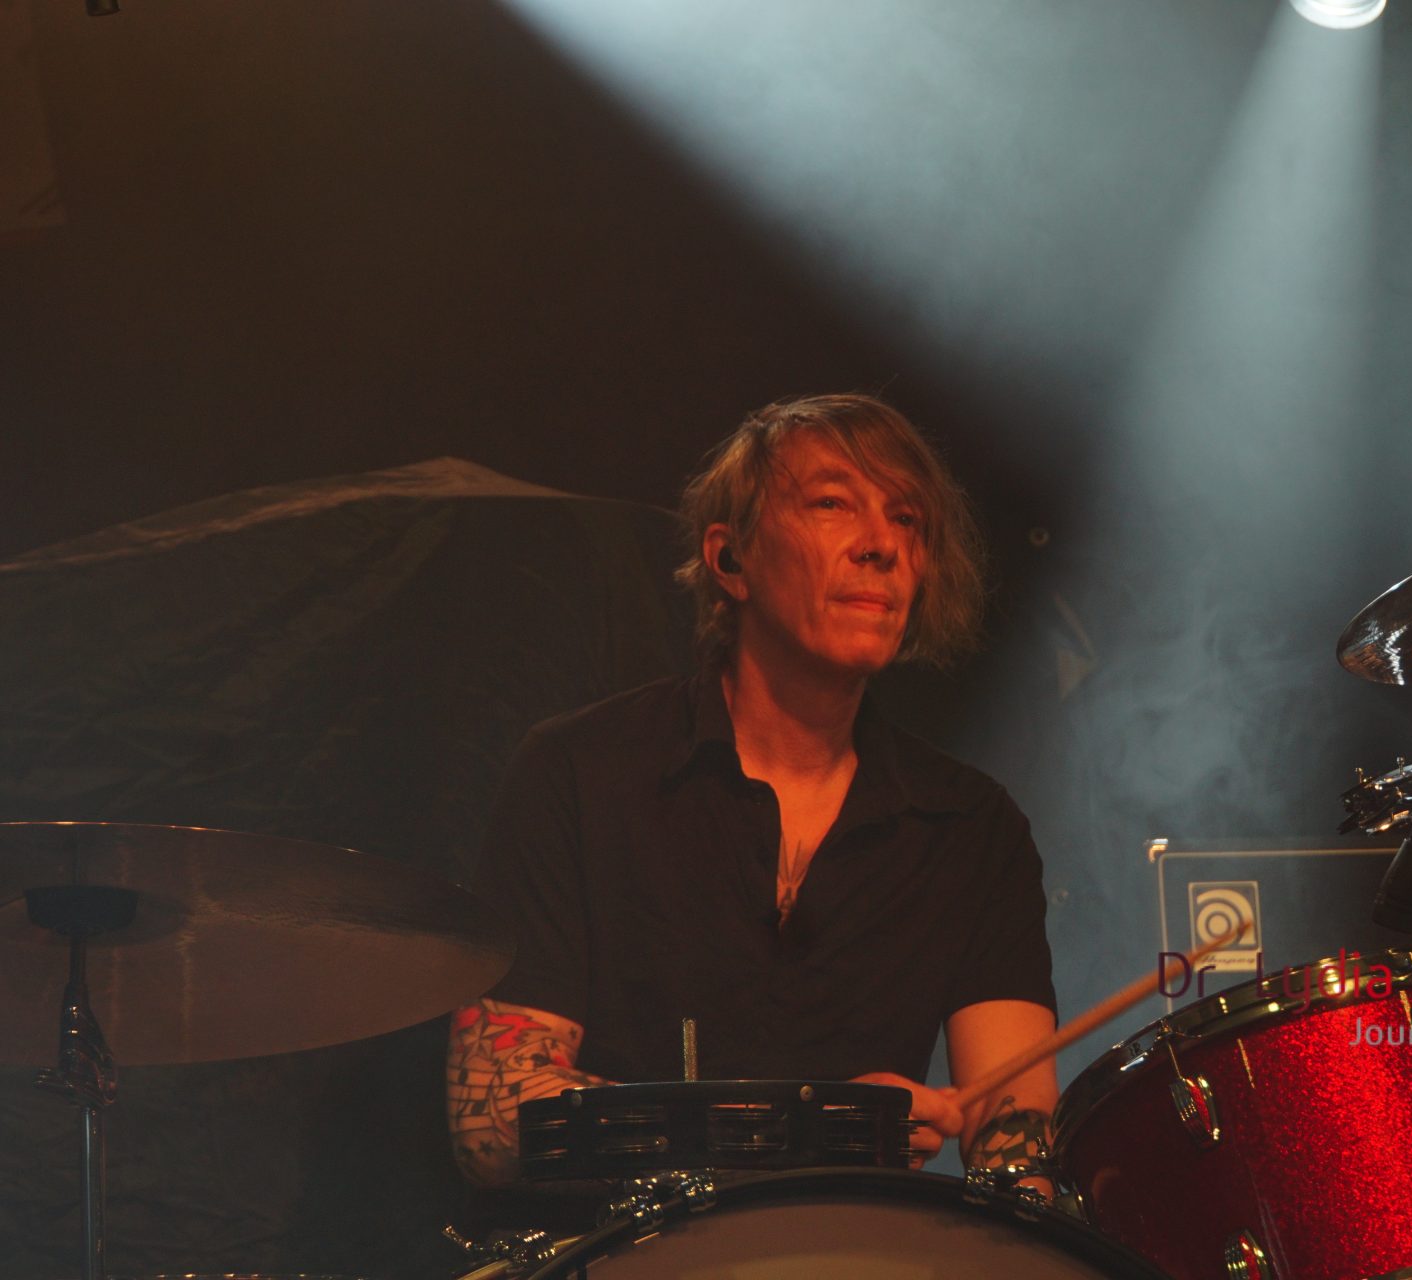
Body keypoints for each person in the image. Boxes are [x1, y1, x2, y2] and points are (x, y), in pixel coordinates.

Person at [446, 393, 1057, 1195]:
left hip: (858, 1250)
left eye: (907, 519)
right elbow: (493, 1125)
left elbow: (1018, 1156)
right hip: (620, 1248)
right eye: (833, 504)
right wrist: (805, 1130)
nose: (882, 545)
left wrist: (1018, 1181)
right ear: (730, 559)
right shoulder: (578, 771)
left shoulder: (972, 827)